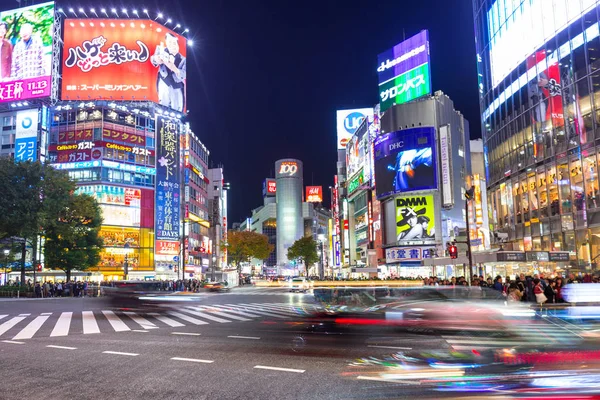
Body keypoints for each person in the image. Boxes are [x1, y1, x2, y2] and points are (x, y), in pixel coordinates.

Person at [151, 32, 186, 112]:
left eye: (174, 43)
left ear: (177, 44)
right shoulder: (161, 50)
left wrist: (175, 69)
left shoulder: (183, 59)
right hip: (164, 81)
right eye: (169, 42)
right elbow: (153, 59)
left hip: (177, 85)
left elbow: (184, 74)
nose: (172, 45)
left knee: (177, 107)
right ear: (166, 43)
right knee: (163, 104)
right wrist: (157, 59)